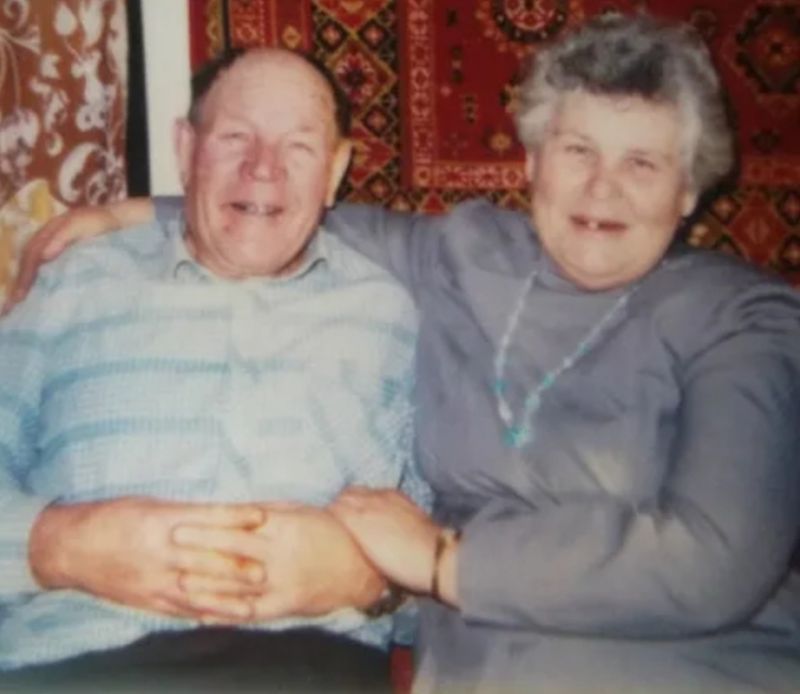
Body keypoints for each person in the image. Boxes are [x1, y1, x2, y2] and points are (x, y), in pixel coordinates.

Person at [10, 12, 800, 694]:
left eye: (642, 163)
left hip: (696, 665)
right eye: (578, 151)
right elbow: (272, 205)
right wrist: (127, 215)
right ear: (530, 162)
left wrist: (434, 564)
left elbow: (715, 561)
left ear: (688, 190)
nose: (603, 189)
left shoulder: (745, 318)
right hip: (484, 670)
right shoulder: (464, 257)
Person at [0, 47, 427, 692]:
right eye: (235, 138)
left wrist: (374, 580)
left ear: (336, 170)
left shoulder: (389, 315)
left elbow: (447, 563)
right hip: (72, 662)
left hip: (304, 668)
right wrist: (56, 546)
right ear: (185, 148)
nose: (263, 168)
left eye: (299, 146)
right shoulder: (77, 281)